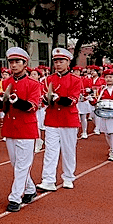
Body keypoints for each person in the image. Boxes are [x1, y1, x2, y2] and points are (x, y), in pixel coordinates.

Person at [0, 47, 41, 212]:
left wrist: (17, 101)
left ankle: (15, 198)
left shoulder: (33, 84)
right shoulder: (4, 83)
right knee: (16, 163)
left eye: (17, 62)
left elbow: (32, 106)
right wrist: (2, 101)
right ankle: (30, 189)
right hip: (10, 128)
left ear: (25, 64)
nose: (14, 65)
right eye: (11, 62)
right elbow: (2, 108)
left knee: (22, 165)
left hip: (26, 129)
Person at [37, 48, 83, 192]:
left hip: (68, 120)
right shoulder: (48, 79)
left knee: (68, 150)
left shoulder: (76, 80)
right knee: (50, 150)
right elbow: (43, 98)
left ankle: (68, 177)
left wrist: (59, 98)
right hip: (52, 119)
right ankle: (48, 179)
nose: (58, 64)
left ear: (68, 62)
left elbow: (72, 100)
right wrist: (46, 99)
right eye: (56, 61)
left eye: (61, 61)